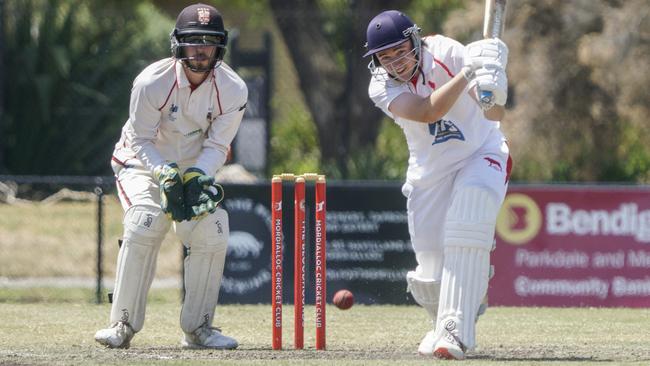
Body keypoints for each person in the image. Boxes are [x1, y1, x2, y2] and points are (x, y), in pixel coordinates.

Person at [95, 3, 247, 349]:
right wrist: (163, 172)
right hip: (141, 163)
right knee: (145, 220)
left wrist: (196, 176)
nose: (200, 50)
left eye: (208, 42)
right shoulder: (151, 82)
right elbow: (140, 139)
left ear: (220, 46)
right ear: (178, 43)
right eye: (193, 41)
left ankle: (198, 328)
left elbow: (219, 145)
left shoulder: (234, 89)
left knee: (215, 230)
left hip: (194, 167)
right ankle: (122, 324)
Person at [364, 10, 511, 360]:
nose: (396, 63)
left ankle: (455, 332)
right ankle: (443, 319)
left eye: (401, 51)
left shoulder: (446, 51)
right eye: (385, 57)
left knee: (468, 219)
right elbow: (428, 111)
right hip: (429, 171)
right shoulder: (380, 85)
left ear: (416, 40)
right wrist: (468, 72)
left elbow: (495, 115)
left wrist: (493, 79)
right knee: (430, 268)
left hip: (481, 152)